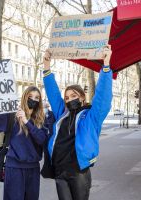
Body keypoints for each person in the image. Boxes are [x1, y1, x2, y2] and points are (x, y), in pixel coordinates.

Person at [42, 45, 112, 200]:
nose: (69, 99)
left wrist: (106, 66)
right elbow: (53, 93)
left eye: (73, 96)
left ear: (81, 97)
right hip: (60, 170)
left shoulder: (91, 116)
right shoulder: (62, 113)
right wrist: (46, 67)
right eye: (66, 98)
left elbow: (102, 97)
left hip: (79, 172)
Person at [0, 86, 48, 200]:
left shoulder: (42, 118)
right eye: (30, 96)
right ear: (24, 97)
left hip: (33, 169)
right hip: (14, 168)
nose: (34, 100)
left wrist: (26, 122)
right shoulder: (11, 116)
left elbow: (42, 139)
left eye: (37, 97)